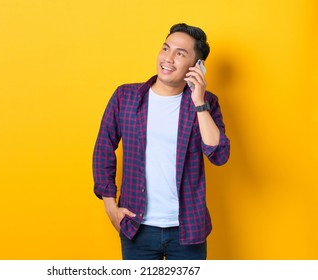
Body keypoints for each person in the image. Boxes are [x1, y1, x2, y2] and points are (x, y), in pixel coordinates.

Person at [92, 23, 230, 260]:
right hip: (136, 228)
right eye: (166, 49)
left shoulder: (207, 103)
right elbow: (103, 149)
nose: (168, 58)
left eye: (180, 53)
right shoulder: (125, 97)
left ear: (196, 66)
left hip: (188, 230)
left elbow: (218, 155)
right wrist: (109, 205)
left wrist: (198, 101)